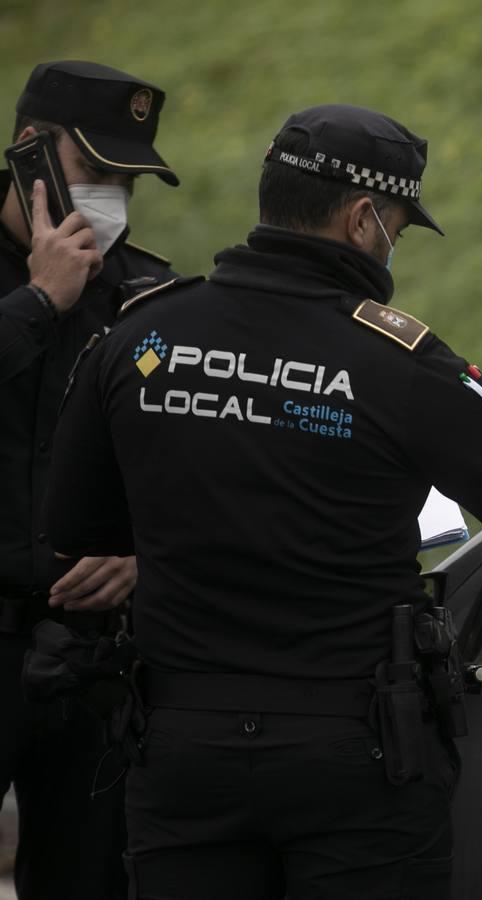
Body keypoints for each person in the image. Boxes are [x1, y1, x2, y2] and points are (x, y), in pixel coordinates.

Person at [44, 103, 482, 899]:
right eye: (400, 229)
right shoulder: (400, 362)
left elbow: (78, 527)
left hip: (181, 751)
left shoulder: (142, 335)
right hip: (352, 756)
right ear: (361, 218)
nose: (393, 246)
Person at [0, 61, 179, 899]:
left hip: (87, 657)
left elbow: (181, 469)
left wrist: (145, 554)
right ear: (30, 152)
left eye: (128, 180)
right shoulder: (37, 291)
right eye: (97, 172)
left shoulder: (143, 294)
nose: (113, 199)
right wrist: (38, 302)